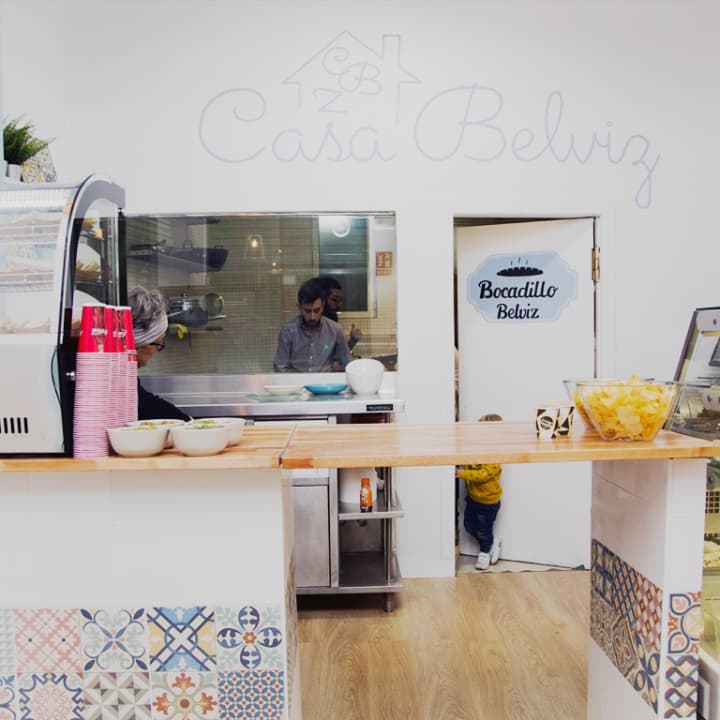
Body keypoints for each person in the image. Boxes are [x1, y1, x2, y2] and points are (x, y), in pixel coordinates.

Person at [128, 285, 190, 421]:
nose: (158, 350)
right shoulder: (110, 375)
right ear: (139, 343)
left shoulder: (125, 374)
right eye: (158, 343)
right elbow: (142, 403)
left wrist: (187, 422)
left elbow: (143, 400)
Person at [273, 278, 352, 372]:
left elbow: (347, 365)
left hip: (325, 381)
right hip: (296, 380)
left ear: (323, 306)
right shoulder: (288, 331)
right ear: (299, 307)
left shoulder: (335, 330)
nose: (312, 317)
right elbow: (280, 367)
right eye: (307, 311)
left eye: (316, 310)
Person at [456, 413, 503, 570]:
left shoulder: (494, 457)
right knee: (469, 526)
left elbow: (483, 475)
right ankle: (491, 542)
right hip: (473, 498)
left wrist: (461, 473)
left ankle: (485, 552)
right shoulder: (475, 450)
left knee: (484, 531)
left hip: (488, 502)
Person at [316, 275, 362, 351]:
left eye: (340, 300)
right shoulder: (314, 325)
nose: (339, 305)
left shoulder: (332, 324)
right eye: (334, 300)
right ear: (321, 300)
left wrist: (352, 341)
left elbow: (337, 354)